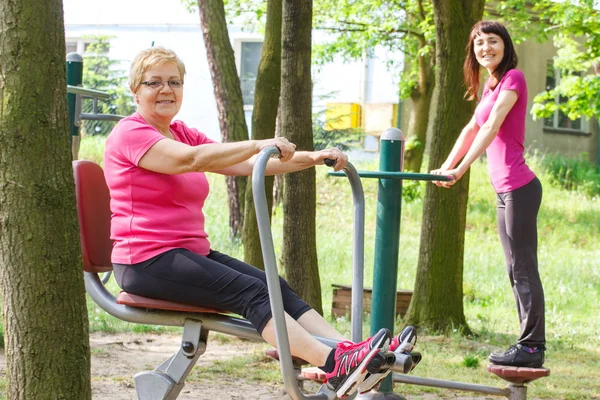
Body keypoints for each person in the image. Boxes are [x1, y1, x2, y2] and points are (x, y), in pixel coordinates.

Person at [103, 46, 414, 398]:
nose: (166, 90)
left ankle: (358, 355)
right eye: (154, 82)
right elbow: (190, 160)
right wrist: (259, 143)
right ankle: (334, 362)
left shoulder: (181, 131)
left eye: (174, 81)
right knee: (250, 292)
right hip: (145, 261)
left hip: (184, 254)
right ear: (135, 89)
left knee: (273, 285)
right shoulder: (131, 133)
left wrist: (312, 158)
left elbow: (250, 165)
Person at [431, 21, 545, 368]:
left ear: (505, 45)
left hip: (520, 188)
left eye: (492, 42)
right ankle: (527, 343)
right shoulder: (490, 86)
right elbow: (472, 127)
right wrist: (445, 164)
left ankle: (531, 346)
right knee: (514, 269)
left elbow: (494, 125)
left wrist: (460, 170)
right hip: (504, 191)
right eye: (479, 44)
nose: (485, 49)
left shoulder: (514, 78)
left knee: (523, 268)